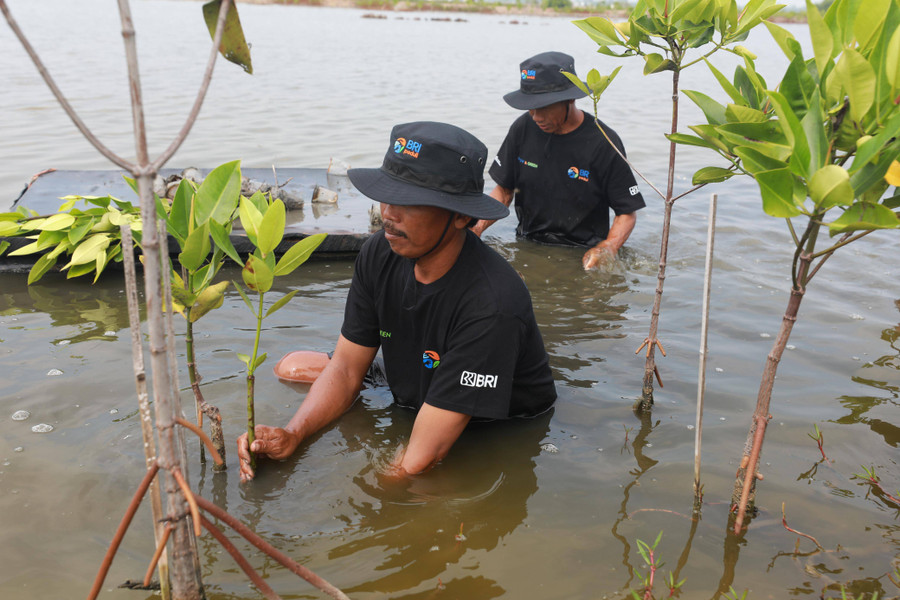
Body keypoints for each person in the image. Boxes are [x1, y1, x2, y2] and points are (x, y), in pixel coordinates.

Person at [237, 121, 557, 482]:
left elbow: (420, 458)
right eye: (387, 195)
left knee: (401, 480)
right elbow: (344, 369)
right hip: (416, 375)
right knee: (289, 367)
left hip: (484, 418)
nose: (388, 214)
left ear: (461, 216)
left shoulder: (492, 303)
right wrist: (293, 435)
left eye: (409, 202)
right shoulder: (379, 252)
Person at [472, 51, 646, 270]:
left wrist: (608, 247)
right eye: (530, 107)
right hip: (528, 244)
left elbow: (626, 213)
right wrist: (476, 228)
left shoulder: (604, 142)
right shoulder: (522, 128)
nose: (536, 117)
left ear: (570, 98)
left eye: (544, 107)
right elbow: (504, 191)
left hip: (581, 251)